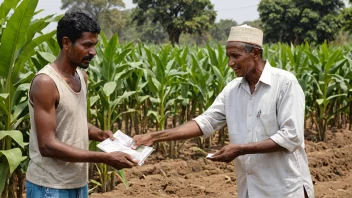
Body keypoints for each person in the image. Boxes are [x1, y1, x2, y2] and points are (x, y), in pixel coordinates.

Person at [133, 24, 314, 198]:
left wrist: (240, 150)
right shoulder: (232, 90)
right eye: (228, 56)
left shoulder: (284, 83)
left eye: (235, 56)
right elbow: (206, 122)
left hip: (284, 189)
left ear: (255, 53)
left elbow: (291, 136)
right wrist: (154, 137)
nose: (230, 63)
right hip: (250, 190)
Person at [26, 11, 138, 198]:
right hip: (50, 186)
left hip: (78, 183)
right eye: (87, 45)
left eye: (94, 45)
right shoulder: (46, 83)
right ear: (66, 43)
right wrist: (105, 158)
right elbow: (47, 145)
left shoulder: (81, 77)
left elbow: (71, 122)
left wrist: (101, 135)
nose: (93, 52)